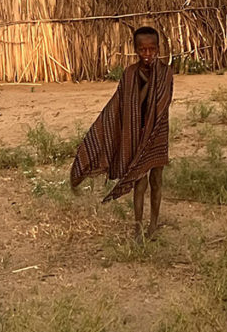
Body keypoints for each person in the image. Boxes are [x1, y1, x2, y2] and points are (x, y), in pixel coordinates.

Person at [70, 26, 172, 238]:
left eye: (152, 49)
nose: (147, 54)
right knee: (139, 181)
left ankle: (153, 225)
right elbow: (120, 104)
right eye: (142, 50)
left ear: (158, 48)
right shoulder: (130, 74)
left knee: (156, 180)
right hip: (136, 135)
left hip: (157, 134)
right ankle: (138, 227)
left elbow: (162, 104)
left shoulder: (165, 73)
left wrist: (151, 77)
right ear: (135, 49)